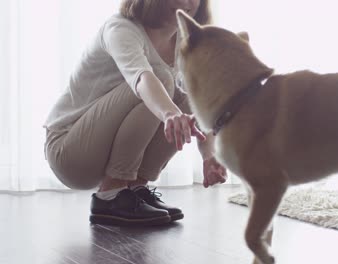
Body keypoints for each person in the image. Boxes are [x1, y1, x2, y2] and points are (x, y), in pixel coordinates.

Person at [43, 0, 227, 226]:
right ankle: (111, 193)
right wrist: (169, 114)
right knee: (161, 79)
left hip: (103, 146)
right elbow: (142, 80)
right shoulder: (120, 28)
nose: (185, 2)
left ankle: (134, 189)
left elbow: (201, 103)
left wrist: (209, 155)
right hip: (70, 150)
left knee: (188, 97)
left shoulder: (185, 40)